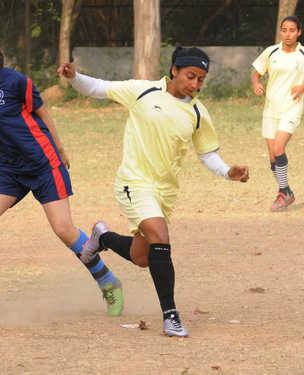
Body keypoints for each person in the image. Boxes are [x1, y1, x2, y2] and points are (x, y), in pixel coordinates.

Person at [58, 46, 250, 337]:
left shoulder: (198, 112)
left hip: (164, 191)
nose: (195, 84)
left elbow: (207, 154)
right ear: (174, 70)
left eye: (201, 79)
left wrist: (228, 172)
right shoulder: (143, 91)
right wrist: (75, 77)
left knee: (143, 257)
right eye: (190, 76)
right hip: (133, 182)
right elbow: (99, 88)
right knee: (161, 237)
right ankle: (171, 316)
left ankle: (102, 236)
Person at [0, 31, 123, 317]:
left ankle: (109, 283)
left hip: (43, 164)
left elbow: (42, 114)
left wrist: (61, 150)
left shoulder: (15, 82)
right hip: (8, 168)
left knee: (65, 230)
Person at [251, 16, 304, 211]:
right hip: (270, 109)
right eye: (284, 30)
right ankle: (286, 191)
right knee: (273, 157)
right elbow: (256, 72)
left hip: (292, 107)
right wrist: (256, 83)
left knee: (278, 148)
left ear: (299, 32)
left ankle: (284, 192)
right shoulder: (271, 51)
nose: (287, 34)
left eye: (292, 30)